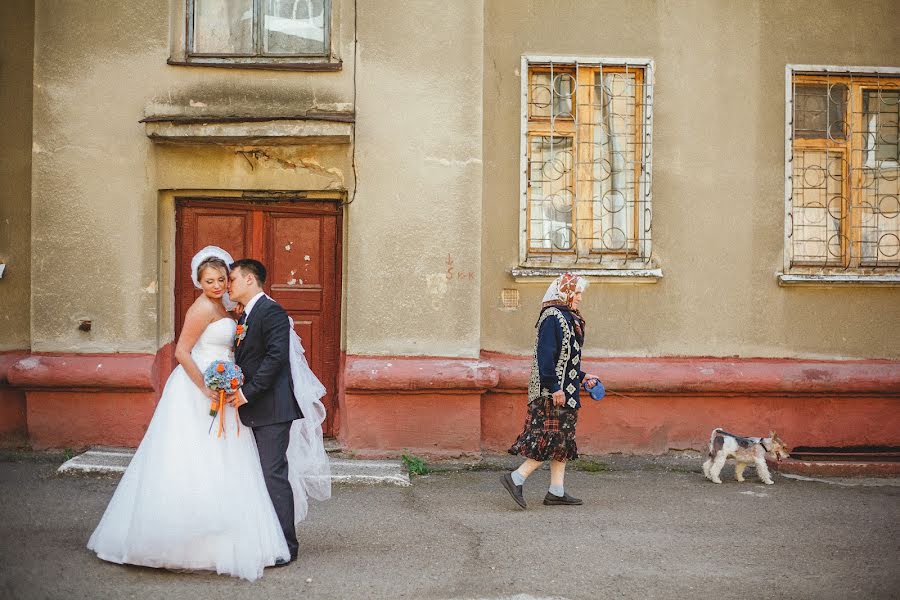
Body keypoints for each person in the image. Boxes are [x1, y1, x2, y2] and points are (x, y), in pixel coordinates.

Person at [87, 247, 330, 581]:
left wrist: (237, 387)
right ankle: (202, 537)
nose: (220, 285)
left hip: (244, 399)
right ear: (198, 282)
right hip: (204, 392)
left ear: (246, 279)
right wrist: (206, 386)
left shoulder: (250, 311)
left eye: (225, 279)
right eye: (212, 280)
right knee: (197, 459)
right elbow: (182, 351)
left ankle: (281, 543)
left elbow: (272, 358)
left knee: (259, 471)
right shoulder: (208, 308)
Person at [501, 273, 600, 509]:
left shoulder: (568, 317)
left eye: (580, 294)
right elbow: (545, 357)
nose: (579, 298)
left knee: (562, 441)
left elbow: (564, 360)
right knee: (548, 439)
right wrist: (554, 387)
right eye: (576, 293)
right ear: (564, 292)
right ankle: (515, 478)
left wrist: (584, 377)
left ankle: (556, 491)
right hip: (551, 394)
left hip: (565, 391)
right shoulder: (552, 317)